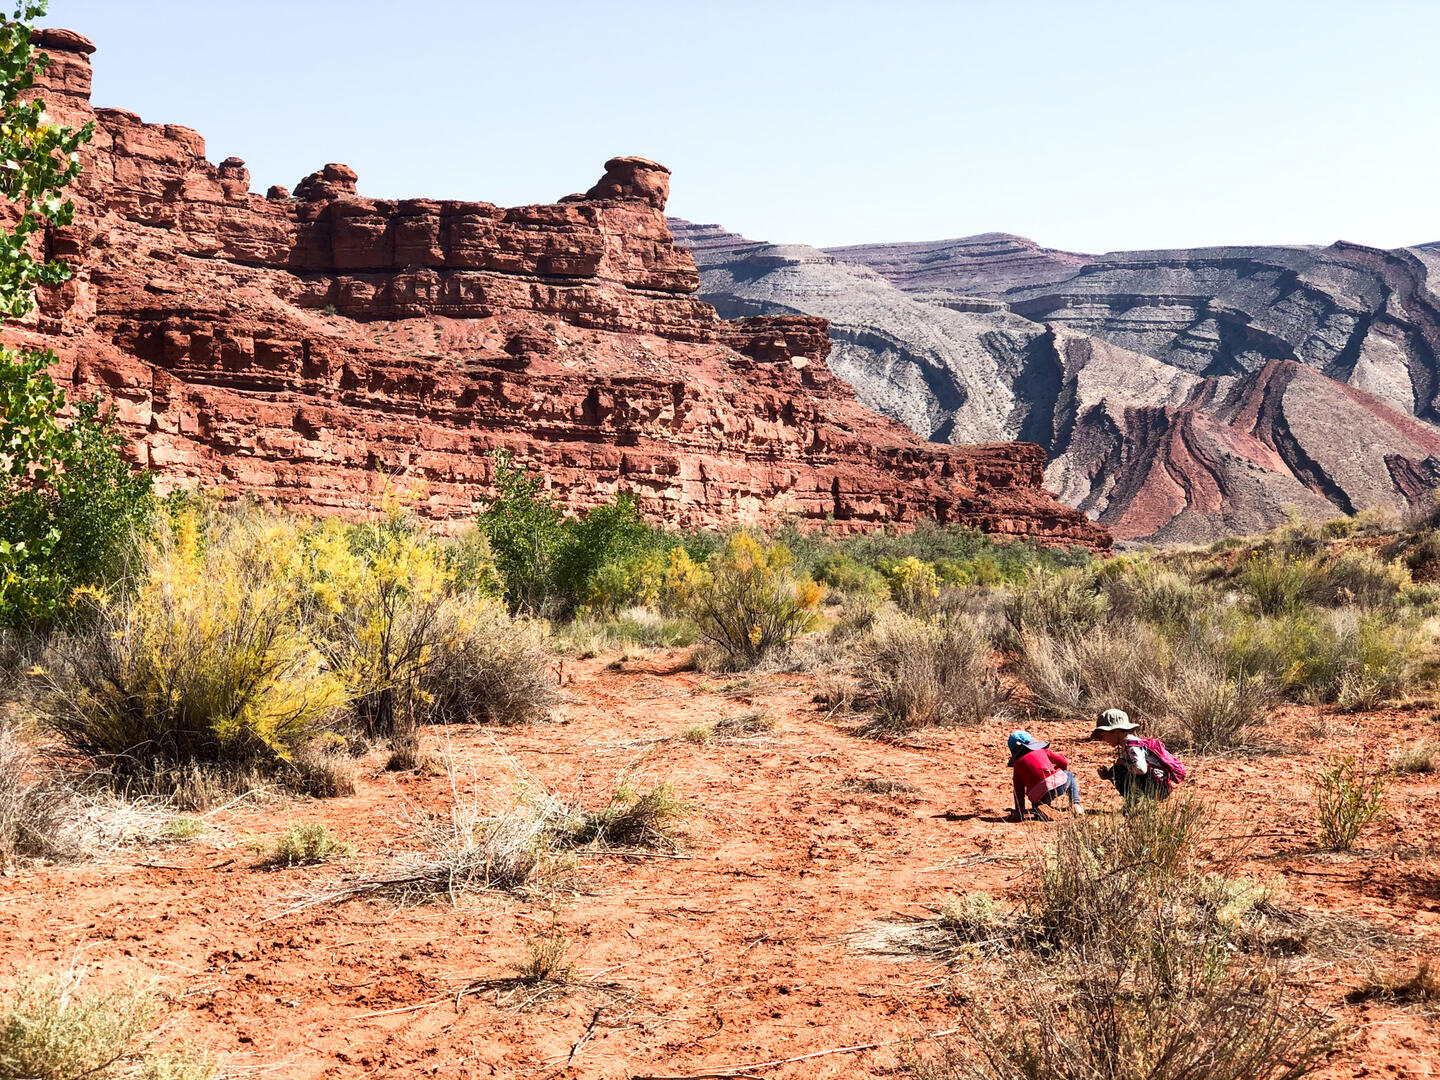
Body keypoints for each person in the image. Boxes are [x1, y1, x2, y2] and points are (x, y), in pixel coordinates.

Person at [1090, 708, 1184, 802]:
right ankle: (1139, 800)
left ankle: (1140, 801)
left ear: (1115, 731)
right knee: (1116, 770)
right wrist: (1109, 775)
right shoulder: (1130, 744)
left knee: (1118, 771)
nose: (1103, 739)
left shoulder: (1132, 747)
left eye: (1104, 734)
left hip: (1157, 787)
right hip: (1157, 784)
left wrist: (1124, 764)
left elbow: (1141, 769)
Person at [1007, 729, 1083, 820]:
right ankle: (1076, 804)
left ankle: (1039, 810)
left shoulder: (1017, 764)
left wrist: (1019, 812)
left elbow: (1018, 791)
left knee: (1038, 803)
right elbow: (1064, 762)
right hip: (1057, 785)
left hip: (1036, 795)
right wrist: (1057, 773)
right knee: (1070, 775)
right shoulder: (1042, 751)